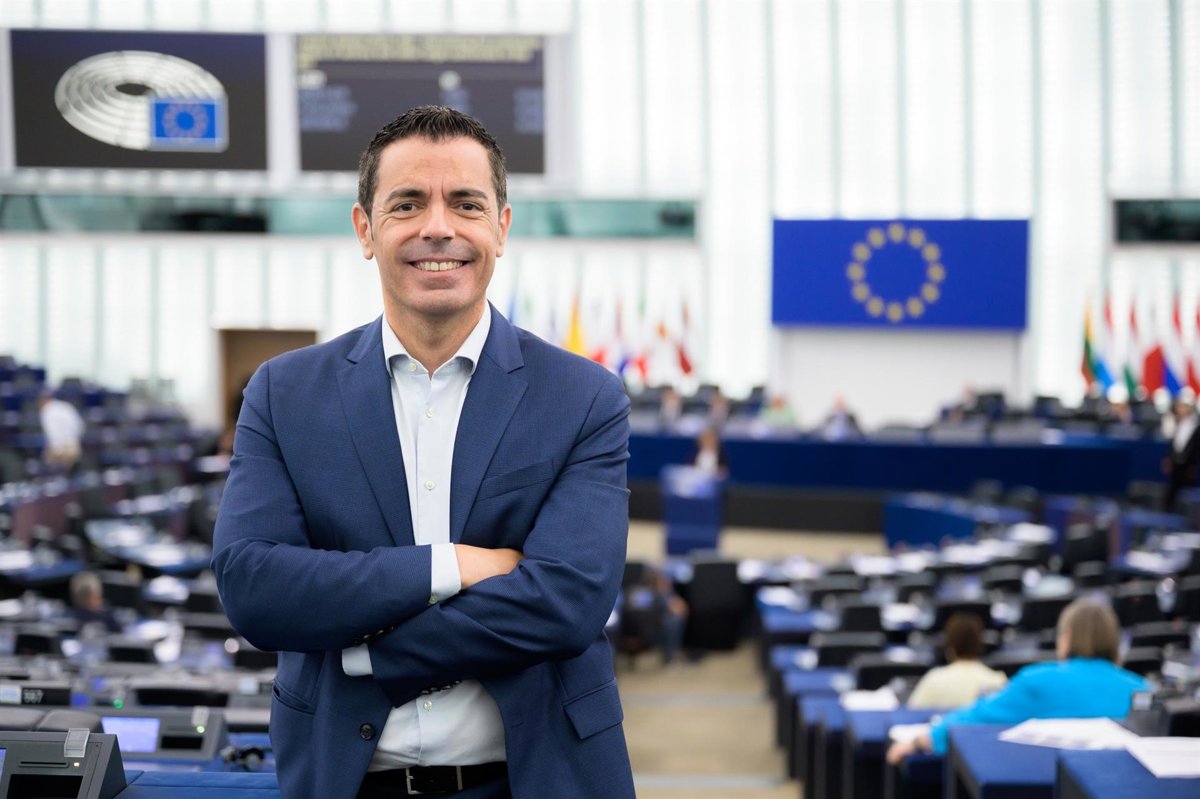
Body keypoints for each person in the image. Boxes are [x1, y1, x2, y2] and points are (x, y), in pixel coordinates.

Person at [212, 107, 634, 799]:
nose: (438, 227)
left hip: (537, 778)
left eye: (466, 203)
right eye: (407, 204)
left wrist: (368, 652)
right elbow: (255, 588)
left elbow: (568, 602)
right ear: (365, 229)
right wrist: (453, 565)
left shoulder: (583, 396)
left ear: (501, 226)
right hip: (346, 781)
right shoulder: (283, 394)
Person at [886, 598, 1148, 764]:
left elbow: (977, 717)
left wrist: (918, 742)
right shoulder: (1143, 690)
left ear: (1067, 638)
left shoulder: (1038, 681)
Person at [905, 613, 1007, 709]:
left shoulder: (934, 679)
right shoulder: (997, 681)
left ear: (949, 647)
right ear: (980, 646)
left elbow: (911, 715)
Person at [1161, 392, 1200, 513]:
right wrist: (1169, 458)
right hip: (1176, 465)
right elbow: (1174, 443)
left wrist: (1193, 466)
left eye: (1183, 406)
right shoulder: (1177, 423)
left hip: (1188, 467)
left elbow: (1195, 448)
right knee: (1171, 492)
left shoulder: (1196, 426)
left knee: (1187, 495)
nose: (1180, 409)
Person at [37, 390, 84, 471]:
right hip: (74, 446)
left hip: (59, 449)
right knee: (68, 472)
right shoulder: (66, 406)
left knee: (54, 471)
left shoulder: (47, 411)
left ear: (42, 400)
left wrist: (58, 451)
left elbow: (53, 433)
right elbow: (80, 426)